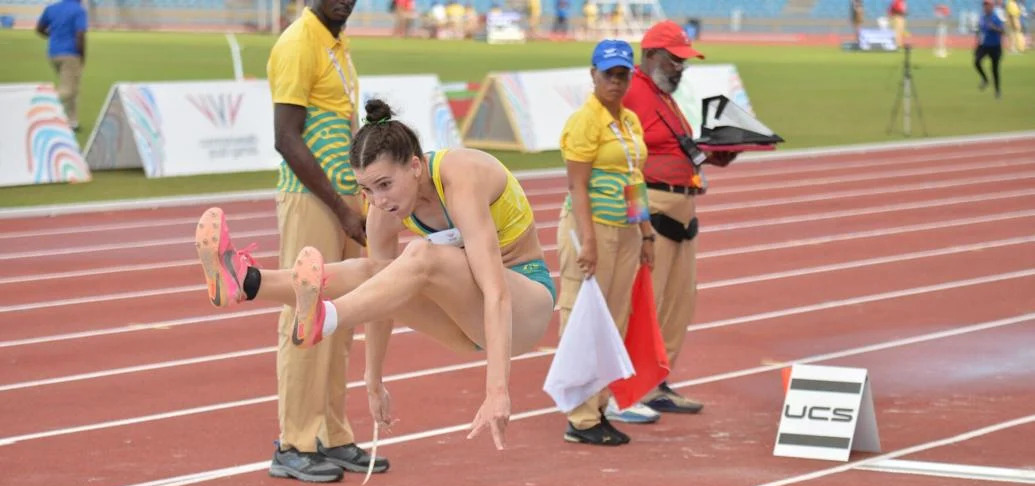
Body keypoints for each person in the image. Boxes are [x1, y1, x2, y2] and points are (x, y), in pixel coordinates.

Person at [195, 99, 556, 456]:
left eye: (384, 185)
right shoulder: (383, 210)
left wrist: (497, 391)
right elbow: (383, 295)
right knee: (376, 270)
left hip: (521, 308)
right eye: (366, 189)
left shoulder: (461, 177)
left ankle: (328, 317)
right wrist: (373, 379)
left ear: (415, 166)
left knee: (421, 255)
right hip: (465, 322)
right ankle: (245, 282)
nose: (378, 200)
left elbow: (496, 292)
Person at [265, 0, 387, 482]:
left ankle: (332, 434)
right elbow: (286, 137)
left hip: (343, 202)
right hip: (312, 201)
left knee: (340, 318)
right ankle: (294, 442)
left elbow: (341, 127)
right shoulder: (299, 42)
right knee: (304, 312)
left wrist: (360, 197)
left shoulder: (337, 43)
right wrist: (339, 208)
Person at [621, 20, 735, 420]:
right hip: (652, 207)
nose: (680, 68)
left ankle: (655, 382)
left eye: (684, 61)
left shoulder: (663, 96)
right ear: (651, 55)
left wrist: (718, 152)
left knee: (678, 303)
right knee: (644, 303)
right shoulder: (632, 91)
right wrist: (639, 220)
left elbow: (679, 147)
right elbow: (619, 156)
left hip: (683, 206)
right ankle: (628, 385)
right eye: (674, 59)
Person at [555, 39, 656, 445]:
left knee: (611, 323)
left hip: (625, 231)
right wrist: (589, 241)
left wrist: (646, 231)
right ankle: (579, 417)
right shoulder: (585, 121)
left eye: (622, 75)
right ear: (592, 74)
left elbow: (635, 179)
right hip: (589, 228)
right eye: (608, 74)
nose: (615, 81)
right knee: (582, 321)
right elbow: (577, 186)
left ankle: (597, 406)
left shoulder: (629, 121)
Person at [35, 0, 87, 133]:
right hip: (70, 53)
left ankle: (72, 121)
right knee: (68, 90)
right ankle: (42, 108)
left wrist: (53, 37)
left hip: (53, 53)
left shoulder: (52, 8)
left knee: (72, 87)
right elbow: (80, 35)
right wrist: (82, 56)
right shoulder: (78, 10)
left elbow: (39, 29)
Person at [975, 0, 1006, 98]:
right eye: (984, 6)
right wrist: (977, 42)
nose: (985, 7)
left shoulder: (996, 18)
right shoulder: (982, 17)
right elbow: (979, 29)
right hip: (984, 45)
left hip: (995, 46)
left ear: (991, 7)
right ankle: (985, 79)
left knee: (995, 69)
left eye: (987, 5)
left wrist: (994, 28)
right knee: (976, 62)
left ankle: (997, 91)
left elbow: (1003, 31)